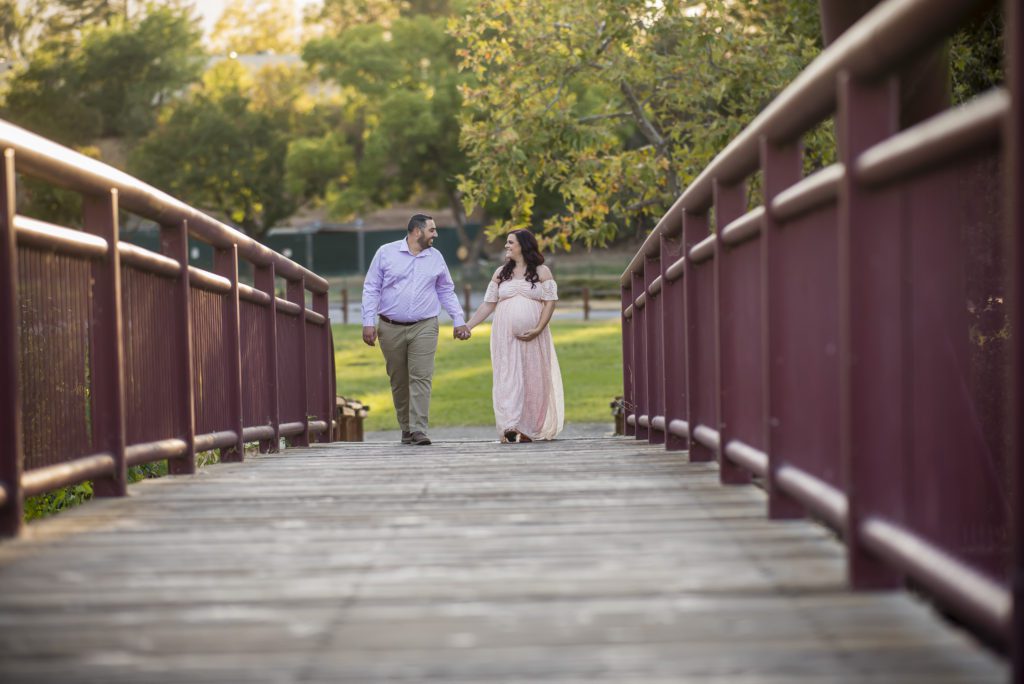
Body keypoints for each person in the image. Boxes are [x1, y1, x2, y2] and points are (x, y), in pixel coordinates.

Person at [361, 214, 471, 445]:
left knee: (421, 377)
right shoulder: (385, 253)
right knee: (399, 380)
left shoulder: (436, 258)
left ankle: (419, 429)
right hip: (390, 327)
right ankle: (406, 428)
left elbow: (445, 290)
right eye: (432, 230)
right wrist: (368, 322)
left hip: (425, 326)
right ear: (417, 231)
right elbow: (371, 288)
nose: (436, 234)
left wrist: (458, 319)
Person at [465, 229, 564, 443]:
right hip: (505, 337)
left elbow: (550, 302)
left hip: (535, 336)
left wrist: (538, 328)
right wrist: (468, 326)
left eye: (510, 242)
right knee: (507, 378)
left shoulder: (542, 271)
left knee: (533, 378)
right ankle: (509, 425)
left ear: (523, 245)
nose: (506, 246)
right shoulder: (501, 273)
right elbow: (488, 304)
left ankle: (528, 428)